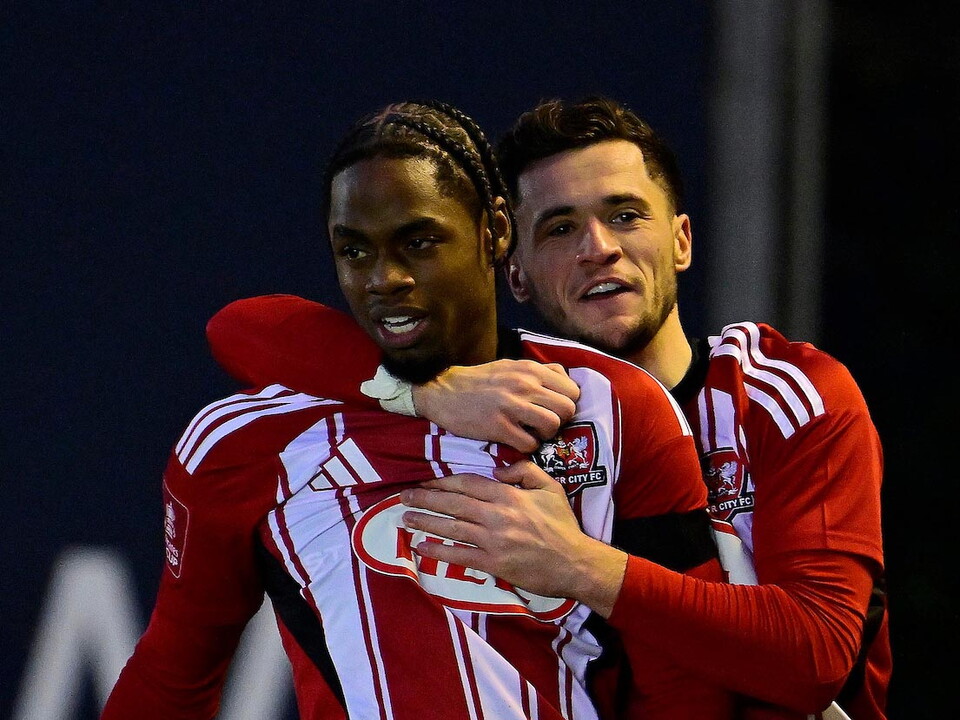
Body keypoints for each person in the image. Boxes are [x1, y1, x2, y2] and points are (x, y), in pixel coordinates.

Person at [207, 97, 890, 720]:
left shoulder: (776, 395)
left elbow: (817, 655)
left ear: (682, 240)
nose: (599, 247)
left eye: (625, 214)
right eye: (561, 228)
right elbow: (240, 328)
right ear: (516, 271)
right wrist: (420, 389)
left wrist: (578, 565)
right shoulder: (490, 418)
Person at [102, 101, 732, 720]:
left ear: (496, 230)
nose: (384, 279)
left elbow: (684, 678)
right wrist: (420, 393)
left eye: (419, 242)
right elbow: (172, 678)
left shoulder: (613, 406)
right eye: (355, 251)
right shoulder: (242, 443)